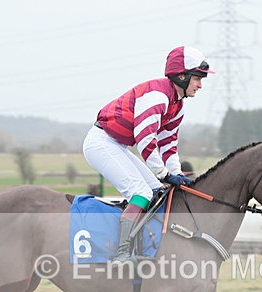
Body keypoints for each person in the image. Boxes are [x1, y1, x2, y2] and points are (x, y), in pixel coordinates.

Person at [82, 46, 214, 264]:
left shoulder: (177, 105)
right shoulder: (157, 96)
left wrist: (176, 174)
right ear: (182, 76)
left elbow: (168, 143)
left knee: (158, 191)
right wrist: (163, 172)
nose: (200, 85)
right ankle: (121, 253)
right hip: (101, 143)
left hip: (118, 145)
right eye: (198, 78)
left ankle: (145, 245)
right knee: (141, 192)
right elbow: (145, 139)